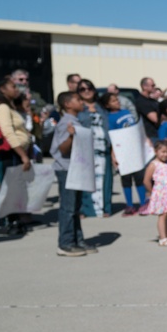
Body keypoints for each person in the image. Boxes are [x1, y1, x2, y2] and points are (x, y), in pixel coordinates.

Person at [50, 91, 95, 256]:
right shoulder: (66, 123)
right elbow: (63, 149)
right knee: (68, 208)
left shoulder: (75, 121)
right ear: (67, 104)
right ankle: (65, 243)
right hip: (66, 169)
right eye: (77, 99)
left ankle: (78, 240)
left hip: (75, 169)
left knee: (76, 207)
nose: (81, 101)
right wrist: (70, 136)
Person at [0, 75, 33, 236]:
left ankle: (13, 220)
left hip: (12, 153)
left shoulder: (8, 106)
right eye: (13, 87)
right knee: (6, 189)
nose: (16, 89)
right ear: (2, 89)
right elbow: (7, 132)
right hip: (8, 153)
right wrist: (23, 156)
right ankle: (2, 222)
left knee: (12, 188)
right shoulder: (2, 107)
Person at [101, 91, 146, 215]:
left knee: (139, 178)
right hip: (122, 152)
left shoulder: (126, 112)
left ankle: (143, 203)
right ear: (107, 105)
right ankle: (130, 205)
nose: (118, 102)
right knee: (126, 179)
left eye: (117, 99)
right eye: (114, 101)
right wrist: (113, 155)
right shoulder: (109, 118)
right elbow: (113, 138)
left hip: (134, 149)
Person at [76, 79, 112, 218]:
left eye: (89, 88)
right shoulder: (78, 107)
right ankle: (86, 209)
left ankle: (105, 208)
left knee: (105, 179)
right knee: (86, 180)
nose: (86, 91)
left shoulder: (102, 106)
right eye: (82, 89)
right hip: (86, 148)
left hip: (104, 147)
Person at [139, 139, 167, 246]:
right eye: (163, 152)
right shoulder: (153, 165)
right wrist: (152, 191)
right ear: (156, 151)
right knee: (162, 215)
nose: (165, 154)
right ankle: (163, 238)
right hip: (160, 194)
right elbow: (146, 180)